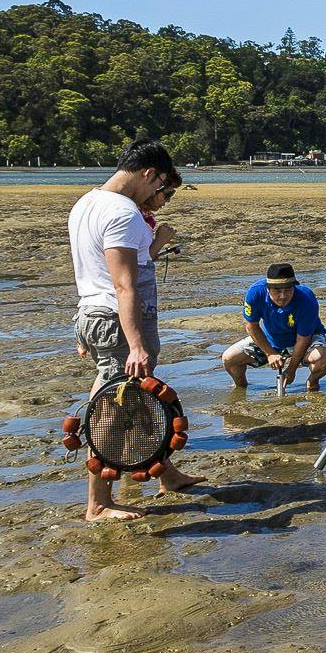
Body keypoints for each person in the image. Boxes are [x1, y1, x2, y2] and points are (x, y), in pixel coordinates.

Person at [65, 141, 202, 520]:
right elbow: (123, 285)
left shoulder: (86, 203)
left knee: (139, 402)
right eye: (159, 184)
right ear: (149, 173)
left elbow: (89, 272)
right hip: (117, 321)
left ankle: (167, 475)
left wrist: (83, 330)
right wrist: (137, 345)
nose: (156, 194)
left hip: (94, 313)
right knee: (113, 408)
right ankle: (99, 503)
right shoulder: (123, 213)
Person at [223, 262, 326, 391]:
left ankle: (312, 383)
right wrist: (270, 353)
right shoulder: (255, 293)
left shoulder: (306, 299)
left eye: (288, 290)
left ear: (294, 287)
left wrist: (291, 370)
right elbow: (251, 327)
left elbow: (303, 338)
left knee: (323, 358)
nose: (282, 296)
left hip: (305, 339)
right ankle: (240, 388)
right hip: (271, 340)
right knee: (229, 358)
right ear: (268, 288)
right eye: (277, 291)